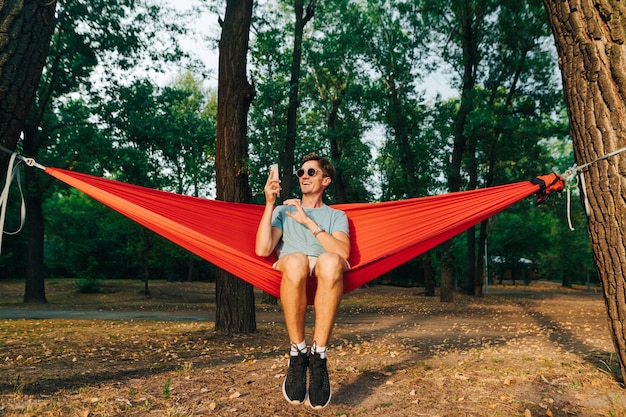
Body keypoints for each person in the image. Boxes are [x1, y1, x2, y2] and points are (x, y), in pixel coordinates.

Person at [255, 153, 350, 409]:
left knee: (331, 260)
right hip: (292, 264)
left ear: (326, 181)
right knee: (296, 259)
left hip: (323, 266)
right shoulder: (283, 211)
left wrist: (307, 221)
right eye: (301, 173)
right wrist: (269, 204)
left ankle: (318, 356)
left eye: (311, 172)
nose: (304, 176)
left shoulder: (336, 215)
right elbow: (263, 249)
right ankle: (298, 352)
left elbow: (342, 253)